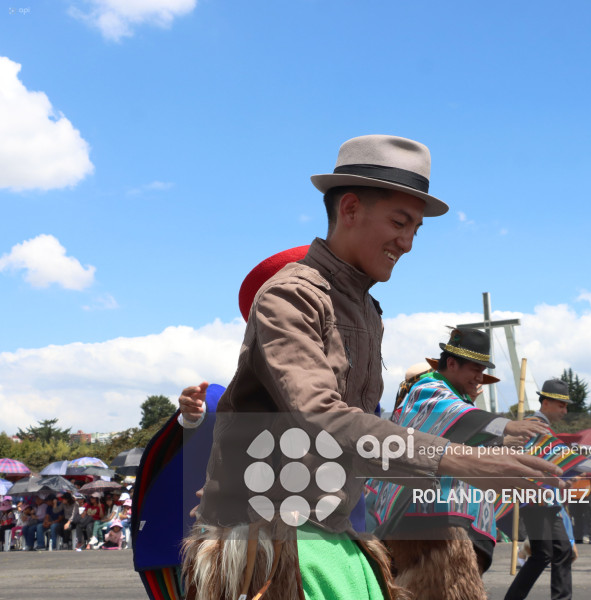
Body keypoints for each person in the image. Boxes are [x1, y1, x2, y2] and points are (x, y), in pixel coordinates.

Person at [179, 134, 563, 600]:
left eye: (417, 229)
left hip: (331, 535)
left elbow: (359, 440)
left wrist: (475, 469)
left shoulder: (367, 309)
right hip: (269, 544)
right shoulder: (291, 295)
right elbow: (320, 416)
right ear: (351, 209)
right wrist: (457, 458)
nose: (407, 242)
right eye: (400, 223)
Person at [370, 328, 551, 600]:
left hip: (448, 522)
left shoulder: (461, 403)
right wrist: (506, 425)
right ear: (451, 363)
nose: (479, 379)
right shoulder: (428, 389)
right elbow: (452, 414)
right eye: (475, 369)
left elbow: (467, 447)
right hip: (431, 524)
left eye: (483, 372)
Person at [504, 379, 591, 600]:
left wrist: (564, 478)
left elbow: (556, 460)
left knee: (561, 551)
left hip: (546, 500)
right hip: (536, 500)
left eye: (565, 406)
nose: (565, 410)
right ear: (546, 403)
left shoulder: (540, 427)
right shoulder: (535, 426)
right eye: (561, 405)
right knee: (543, 555)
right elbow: (564, 456)